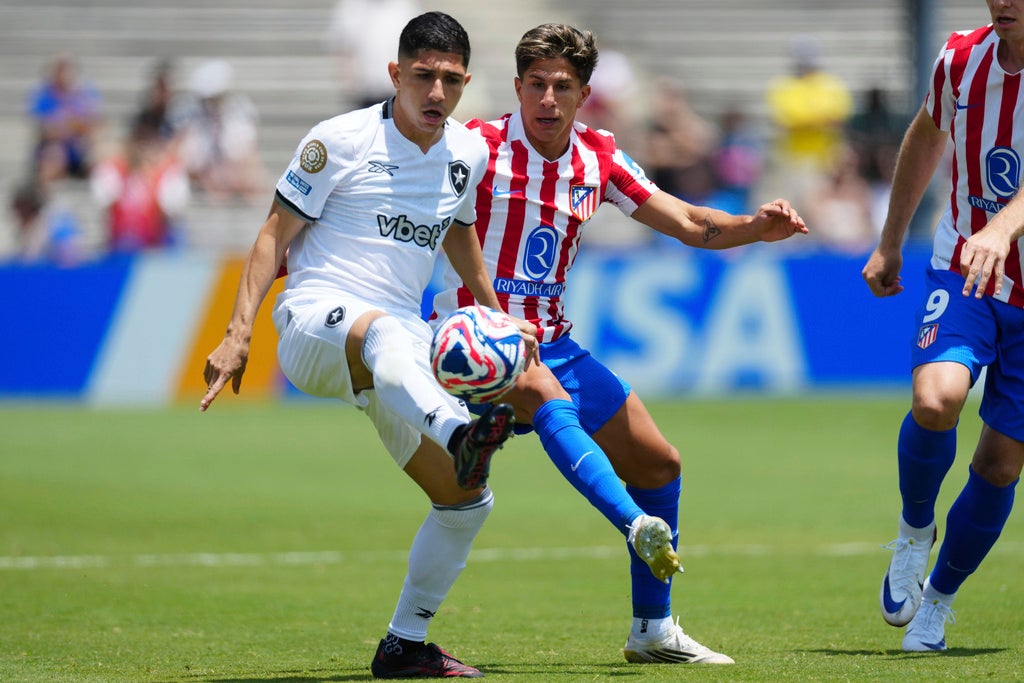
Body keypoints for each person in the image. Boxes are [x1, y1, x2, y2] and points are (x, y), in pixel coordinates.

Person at [432, 23, 807, 665]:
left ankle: (652, 631)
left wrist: (753, 227)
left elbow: (686, 219)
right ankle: (634, 524)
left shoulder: (598, 157)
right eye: (536, 84)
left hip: (553, 343)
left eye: (563, 87)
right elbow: (427, 219)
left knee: (659, 465)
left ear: (584, 96)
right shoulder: (475, 146)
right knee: (542, 399)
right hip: (478, 339)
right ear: (517, 87)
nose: (547, 99)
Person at [199, 12, 537, 679]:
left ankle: (404, 644)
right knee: (382, 330)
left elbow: (459, 232)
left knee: (467, 498)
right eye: (423, 76)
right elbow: (273, 233)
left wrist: (499, 317)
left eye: (450, 80)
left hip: (395, 349)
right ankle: (461, 430)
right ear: (394, 73)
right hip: (313, 324)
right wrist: (238, 333)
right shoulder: (338, 140)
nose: (436, 92)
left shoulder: (467, 153)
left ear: (466, 83)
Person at [862, 1, 1024, 652]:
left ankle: (939, 599)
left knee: (1000, 463)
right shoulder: (960, 57)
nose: (1003, 1)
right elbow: (928, 135)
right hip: (964, 266)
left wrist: (1005, 225)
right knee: (936, 400)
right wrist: (891, 241)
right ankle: (914, 531)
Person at [26, 54, 102, 181]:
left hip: (79, 145)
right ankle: (47, 188)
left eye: (67, 69)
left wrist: (72, 127)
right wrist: (70, 127)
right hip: (54, 146)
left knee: (100, 150)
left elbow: (94, 124)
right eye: (60, 69)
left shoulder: (85, 94)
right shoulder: (44, 94)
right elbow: (45, 129)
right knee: (53, 153)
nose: (64, 74)